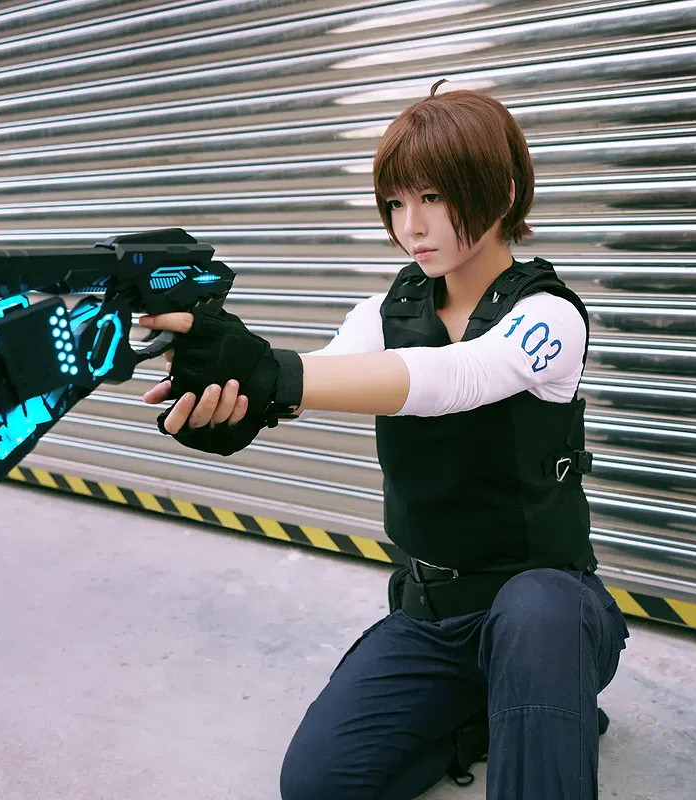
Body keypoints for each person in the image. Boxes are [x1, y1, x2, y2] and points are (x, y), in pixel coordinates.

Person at [138, 82, 630, 800]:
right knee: (318, 785)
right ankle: (487, 723)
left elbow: (455, 377)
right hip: (435, 616)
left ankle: (542, 714)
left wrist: (275, 372)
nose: (411, 226)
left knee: (536, 610)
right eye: (396, 203)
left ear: (501, 192)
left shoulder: (548, 315)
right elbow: (321, 378)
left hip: (550, 619)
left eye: (433, 196)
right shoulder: (382, 312)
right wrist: (237, 399)